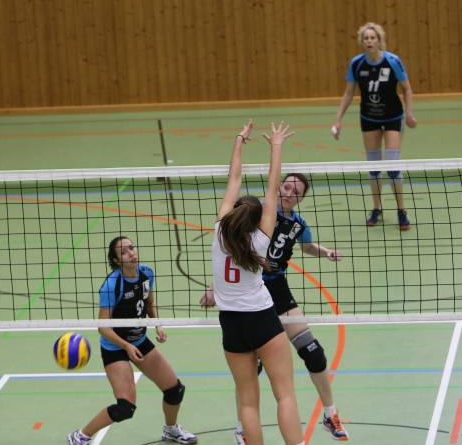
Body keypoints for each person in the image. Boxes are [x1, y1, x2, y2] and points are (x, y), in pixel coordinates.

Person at [201, 172, 350, 442]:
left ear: (301, 199)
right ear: (280, 186)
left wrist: (326, 251)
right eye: (287, 187)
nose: (289, 193)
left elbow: (307, 247)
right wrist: (214, 288)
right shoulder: (256, 211)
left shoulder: (298, 224)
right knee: (250, 370)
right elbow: (230, 248)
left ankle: (330, 414)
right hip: (249, 294)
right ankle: (242, 429)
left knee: (314, 353)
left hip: (277, 290)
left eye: (296, 192)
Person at [210, 119, 304, 445]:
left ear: (234, 213)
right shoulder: (263, 236)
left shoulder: (220, 231)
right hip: (261, 318)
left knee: (248, 402)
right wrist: (276, 145)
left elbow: (233, 179)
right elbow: (273, 187)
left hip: (231, 324)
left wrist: (239, 139)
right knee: (285, 395)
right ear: (257, 217)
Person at [66, 236, 197, 445]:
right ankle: (80, 436)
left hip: (139, 340)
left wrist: (157, 324)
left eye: (132, 248)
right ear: (116, 260)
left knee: (175, 391)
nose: (131, 253)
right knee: (125, 408)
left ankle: (171, 430)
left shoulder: (146, 273)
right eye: (124, 252)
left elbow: (149, 302)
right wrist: (126, 346)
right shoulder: (112, 285)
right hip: (115, 347)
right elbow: (102, 327)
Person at [332, 22, 417, 230]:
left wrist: (409, 114)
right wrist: (338, 119)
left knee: (393, 166)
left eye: (372, 38)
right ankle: (376, 208)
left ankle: (401, 210)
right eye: (366, 38)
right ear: (362, 42)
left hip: (393, 117)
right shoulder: (357, 64)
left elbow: (406, 88)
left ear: (379, 41)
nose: (369, 41)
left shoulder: (392, 61)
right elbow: (349, 92)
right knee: (374, 167)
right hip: (369, 117)